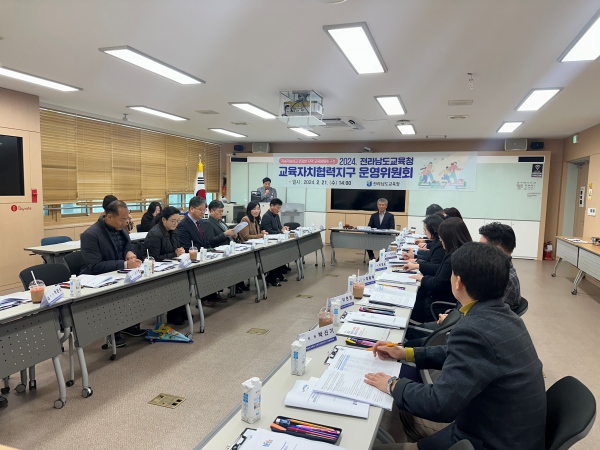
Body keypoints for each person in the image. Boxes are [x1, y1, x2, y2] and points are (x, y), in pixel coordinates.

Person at [366, 242, 546, 450]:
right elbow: (459, 353)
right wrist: (406, 353)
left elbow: (439, 405)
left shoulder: (474, 329)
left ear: (458, 282)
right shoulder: (504, 314)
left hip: (488, 440)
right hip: (509, 429)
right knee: (405, 403)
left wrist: (392, 384)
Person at [405, 222, 522, 345]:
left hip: (460, 333)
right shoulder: (494, 270)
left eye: (483, 246)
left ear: (497, 248)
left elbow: (486, 323)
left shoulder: (504, 280)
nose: (479, 250)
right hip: (457, 320)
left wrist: (451, 321)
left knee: (408, 337)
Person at [80, 200, 145, 344]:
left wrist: (129, 253)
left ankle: (130, 325)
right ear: (109, 217)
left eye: (127, 219)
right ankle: (113, 332)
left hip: (119, 273)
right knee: (115, 296)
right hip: (98, 279)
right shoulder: (90, 235)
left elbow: (127, 246)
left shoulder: (121, 229)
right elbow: (94, 266)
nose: (125, 223)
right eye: (122, 219)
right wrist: (125, 264)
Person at [408, 217, 471, 323]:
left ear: (449, 238)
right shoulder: (463, 252)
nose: (441, 242)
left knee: (410, 306)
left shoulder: (453, 257)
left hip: (438, 304)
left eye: (442, 239)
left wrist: (422, 278)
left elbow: (438, 283)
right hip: (445, 301)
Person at [175, 197, 221, 307]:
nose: (203, 212)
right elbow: (186, 246)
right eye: (200, 210)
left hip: (203, 255)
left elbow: (205, 241)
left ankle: (211, 294)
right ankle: (204, 297)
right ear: (191, 209)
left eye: (204, 210)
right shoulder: (183, 224)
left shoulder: (201, 222)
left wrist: (210, 250)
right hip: (192, 258)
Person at [260, 198, 290, 286]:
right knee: (276, 256)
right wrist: (280, 231)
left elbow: (279, 227)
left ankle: (279, 274)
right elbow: (268, 231)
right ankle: (271, 278)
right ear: (271, 206)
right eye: (277, 207)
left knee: (282, 254)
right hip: (269, 242)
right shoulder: (266, 217)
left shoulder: (276, 216)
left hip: (277, 240)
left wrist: (283, 228)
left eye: (280, 208)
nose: (278, 210)